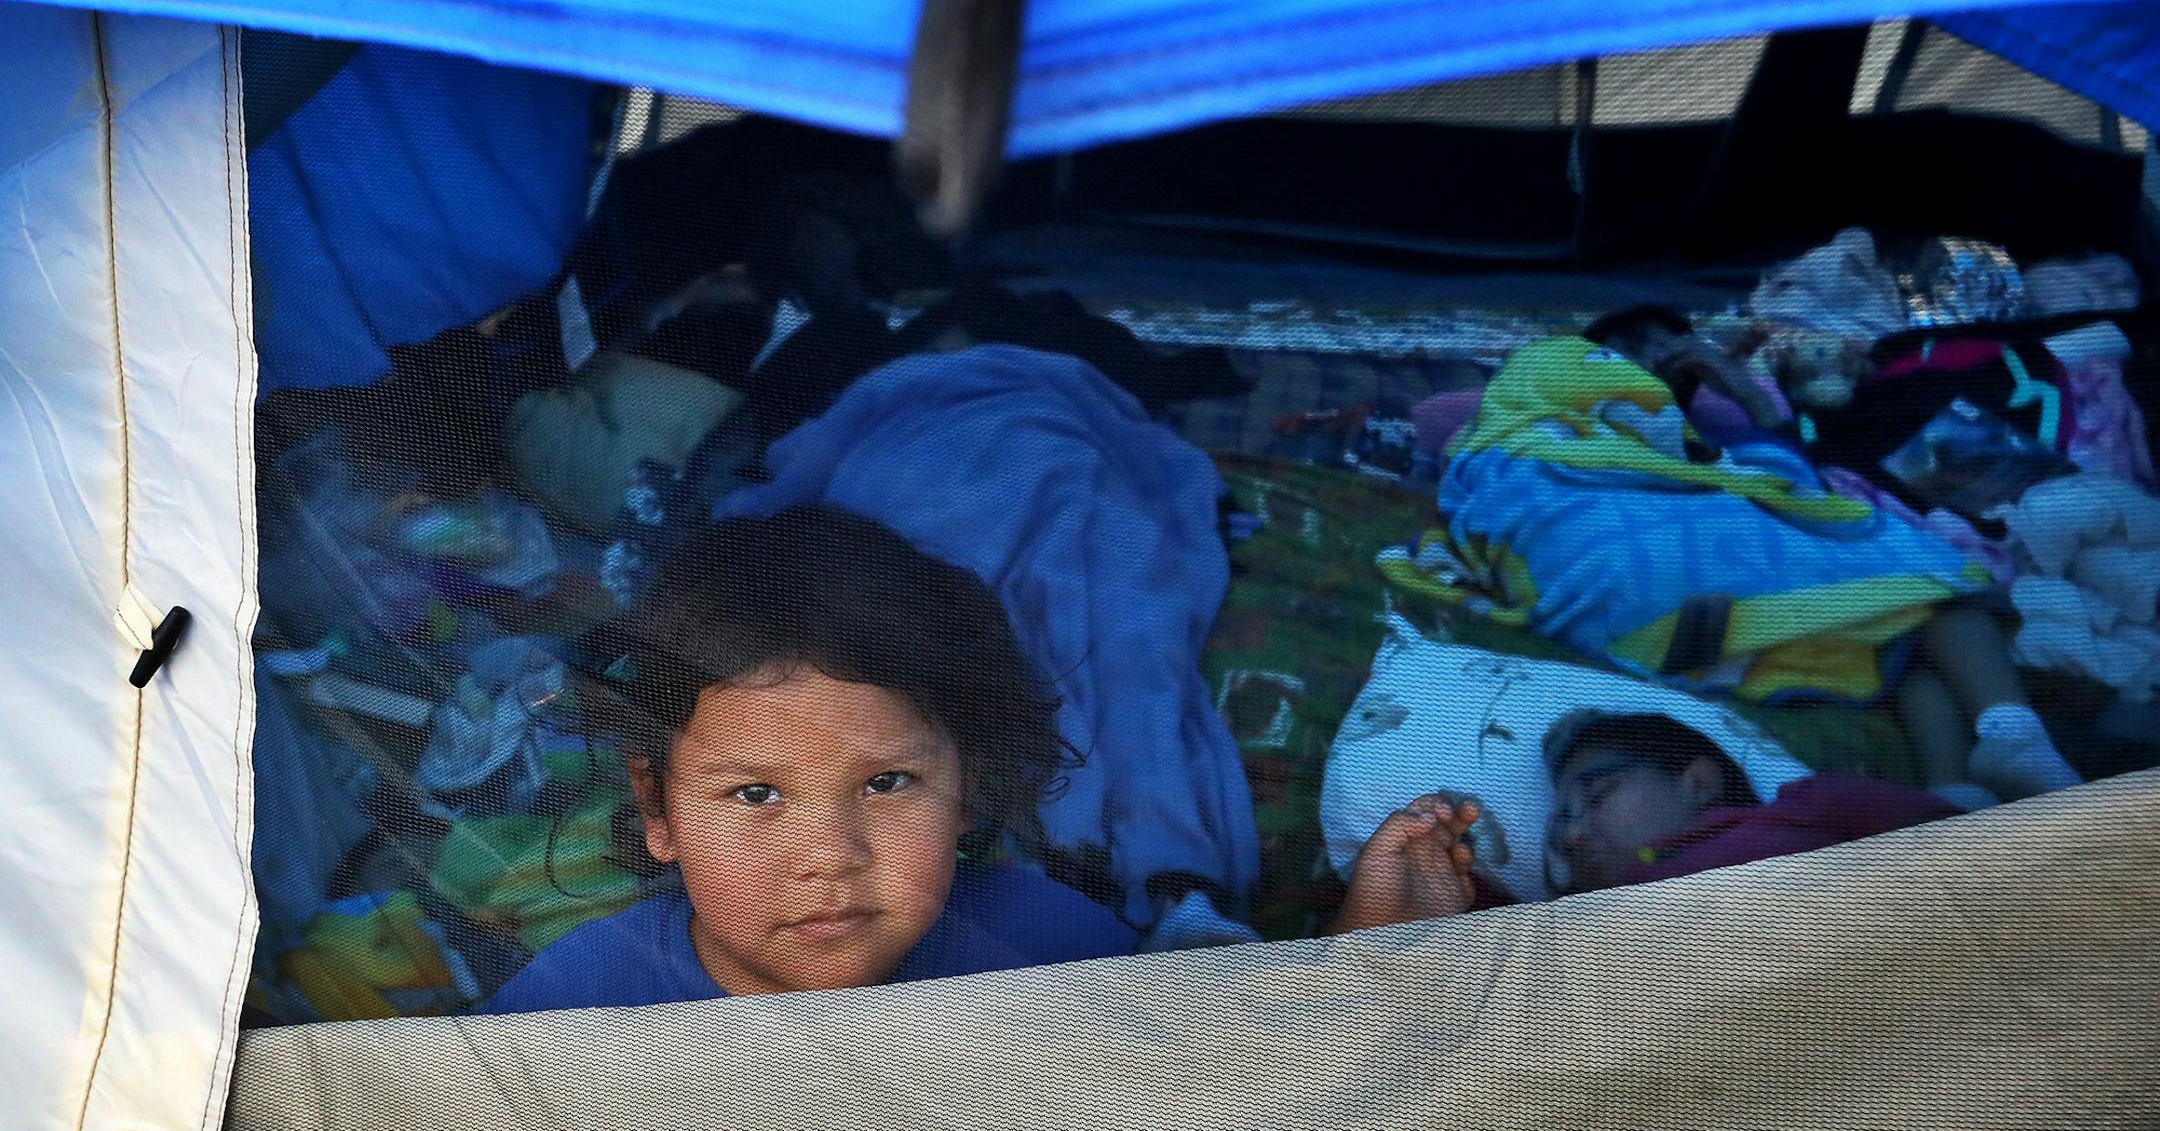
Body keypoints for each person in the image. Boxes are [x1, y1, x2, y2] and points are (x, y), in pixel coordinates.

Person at [486, 507, 1473, 1013]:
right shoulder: (579, 1011)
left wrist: (1361, 951)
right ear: (657, 810)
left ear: (965, 792)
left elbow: (1209, 1086)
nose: (830, 854)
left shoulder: (1039, 941)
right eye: (756, 794)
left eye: (886, 783)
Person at [1541, 711, 1963, 895]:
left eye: (1598, 796)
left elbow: (1958, 840)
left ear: (1699, 784)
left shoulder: (1805, 808)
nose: (1574, 835)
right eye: (1559, 835)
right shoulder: (1594, 916)